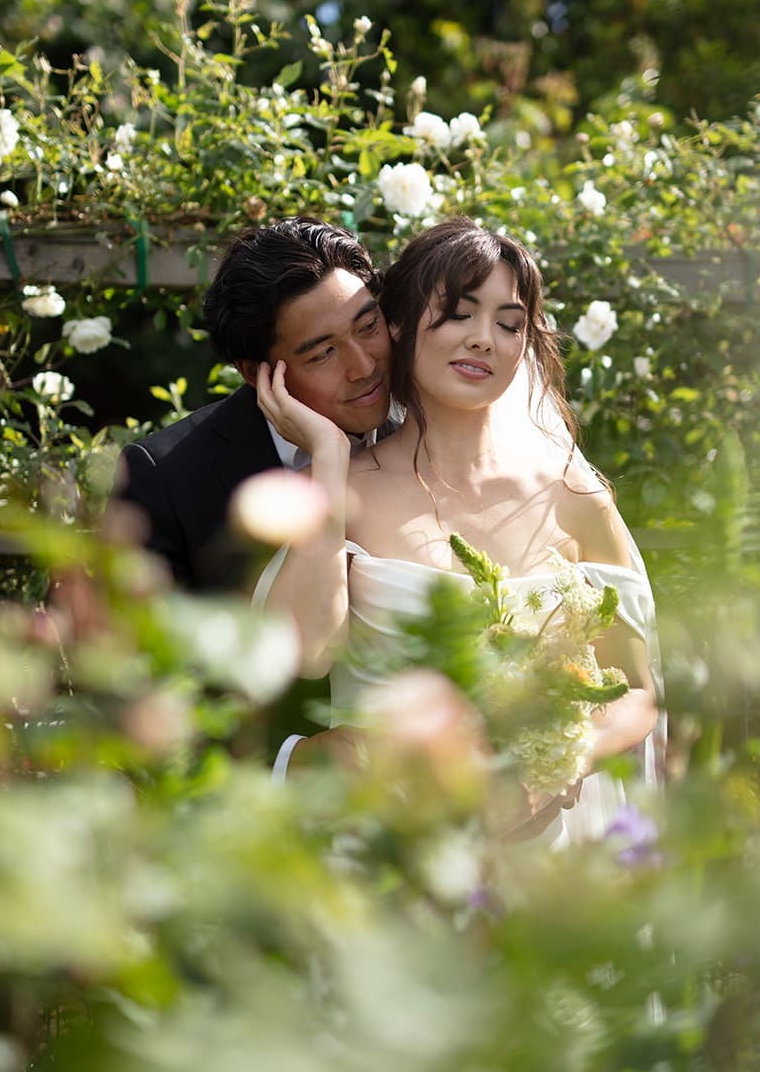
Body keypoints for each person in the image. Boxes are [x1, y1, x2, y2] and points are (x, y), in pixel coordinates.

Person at [256, 216, 663, 844]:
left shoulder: (574, 494)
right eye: (458, 314)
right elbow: (307, 651)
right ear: (399, 325)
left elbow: (636, 690)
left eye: (508, 324)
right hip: (398, 831)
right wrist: (331, 461)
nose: (483, 340)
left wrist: (560, 760)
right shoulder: (337, 490)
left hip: (556, 838)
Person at [115, 218, 392, 588]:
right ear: (254, 373)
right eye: (324, 353)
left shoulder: (428, 424)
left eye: (368, 327)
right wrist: (328, 451)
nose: (364, 367)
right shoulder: (166, 477)